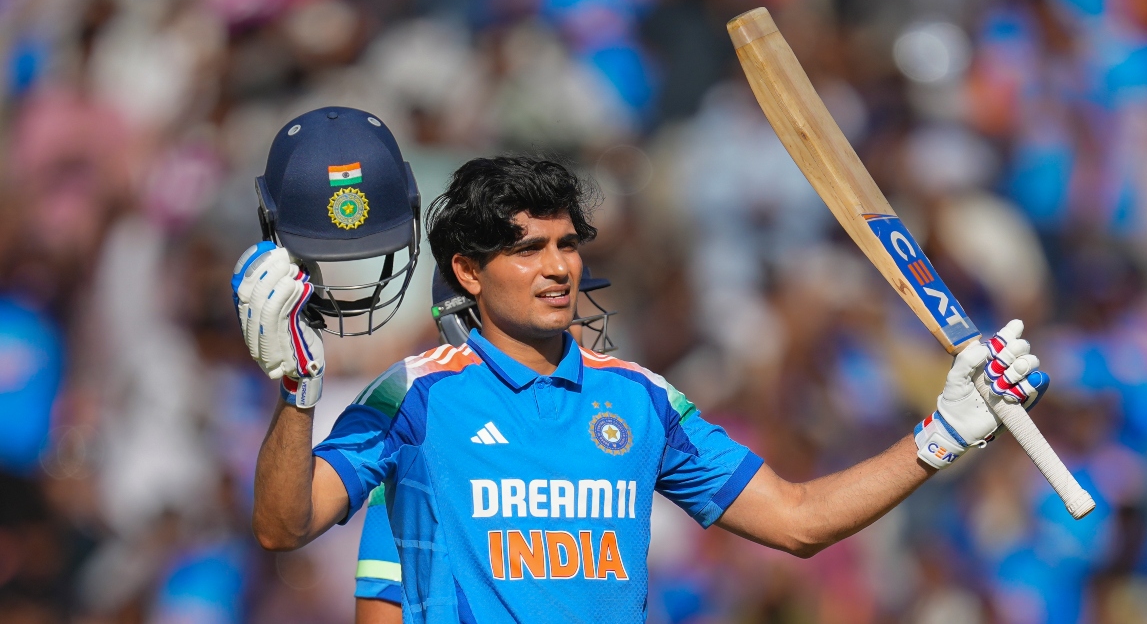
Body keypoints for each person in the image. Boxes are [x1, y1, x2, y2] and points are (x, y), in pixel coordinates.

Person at [236, 118, 1048, 622]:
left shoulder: (641, 399)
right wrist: (299, 394)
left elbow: (797, 520)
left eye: (567, 244)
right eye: (528, 249)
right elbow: (283, 524)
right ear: (470, 272)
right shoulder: (416, 394)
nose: (558, 268)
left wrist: (941, 435)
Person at [354, 267, 618, 623]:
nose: (577, 331)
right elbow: (380, 611)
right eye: (553, 316)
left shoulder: (601, 450)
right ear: (473, 323)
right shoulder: (418, 466)